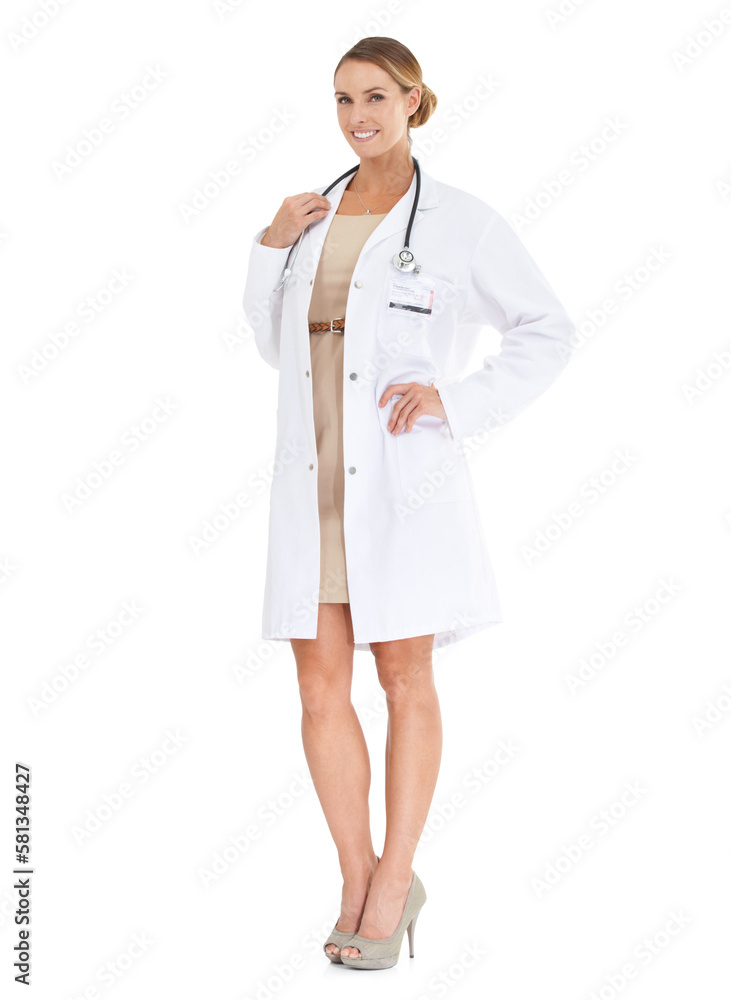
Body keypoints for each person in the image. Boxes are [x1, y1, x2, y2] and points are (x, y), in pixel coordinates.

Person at [242, 36, 575, 970]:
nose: (358, 117)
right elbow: (273, 346)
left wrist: (456, 402)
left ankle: (396, 880)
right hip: (311, 482)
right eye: (343, 99)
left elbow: (548, 330)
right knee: (318, 690)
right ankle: (355, 876)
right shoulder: (310, 216)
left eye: (376, 97)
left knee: (402, 681)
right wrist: (270, 245)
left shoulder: (460, 222)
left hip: (402, 485)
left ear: (413, 100)